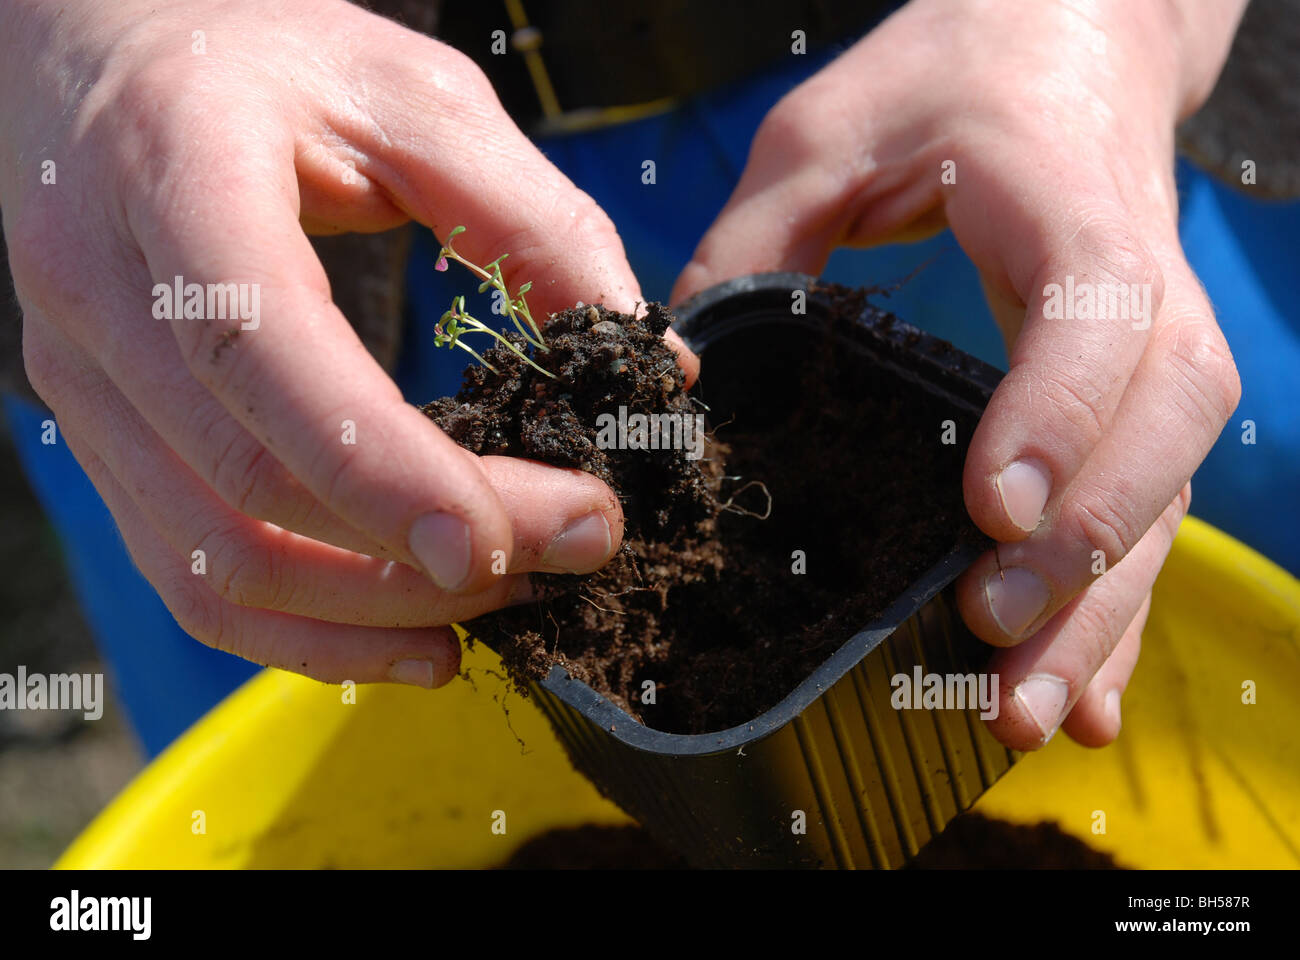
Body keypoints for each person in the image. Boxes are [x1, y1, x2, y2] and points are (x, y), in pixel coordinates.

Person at [0, 0, 1288, 758]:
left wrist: (1111, 24)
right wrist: (78, 41)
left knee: (1109, 600)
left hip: (952, 110)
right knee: (313, 682)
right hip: (231, 178)